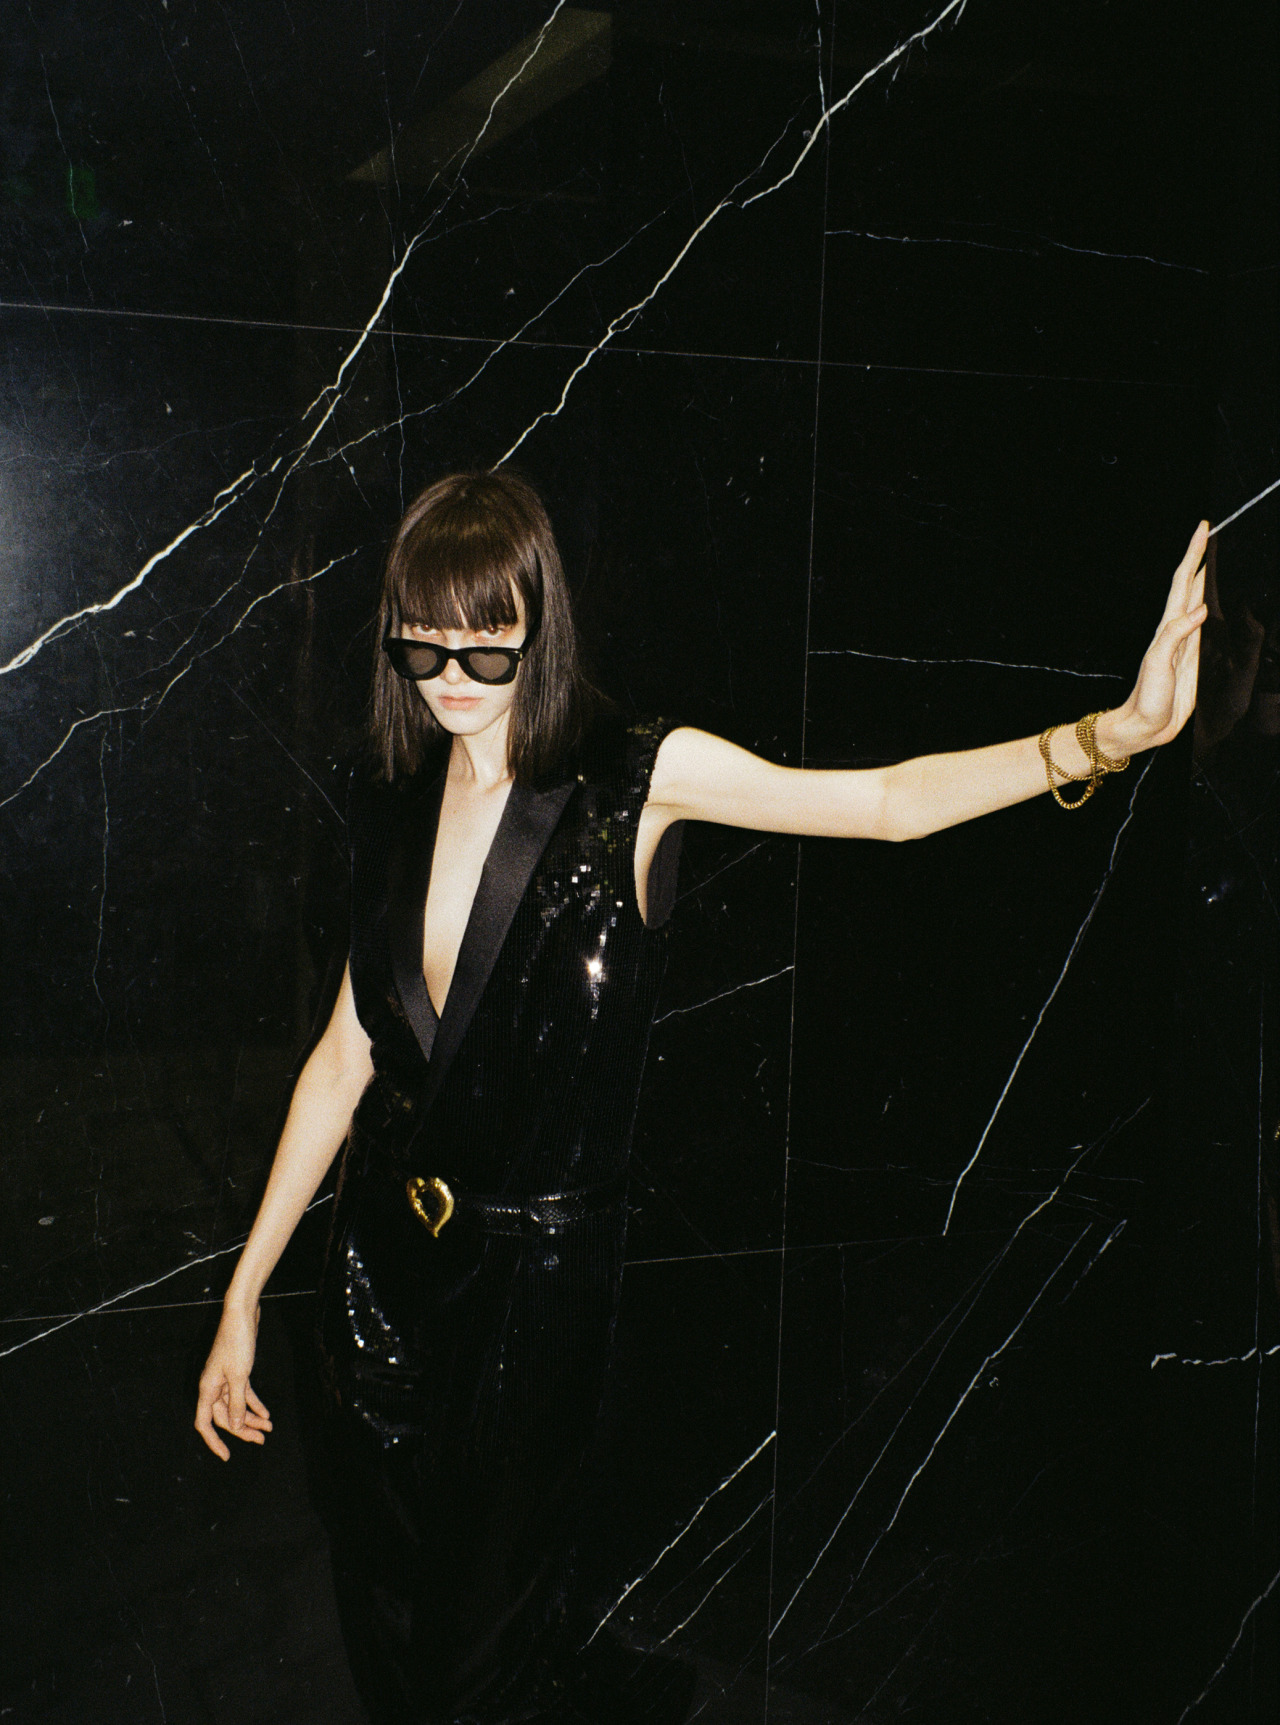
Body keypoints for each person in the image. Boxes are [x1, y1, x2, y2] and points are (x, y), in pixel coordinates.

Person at [194, 470, 1208, 1724]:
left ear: (537, 627)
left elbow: (881, 805)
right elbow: (343, 1059)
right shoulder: (396, 798)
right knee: (389, 1627)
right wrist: (244, 1296)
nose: (451, 675)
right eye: (422, 643)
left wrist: (1108, 736)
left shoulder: (636, 774)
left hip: (533, 1300)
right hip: (377, 1284)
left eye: (486, 642)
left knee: (473, 1665)